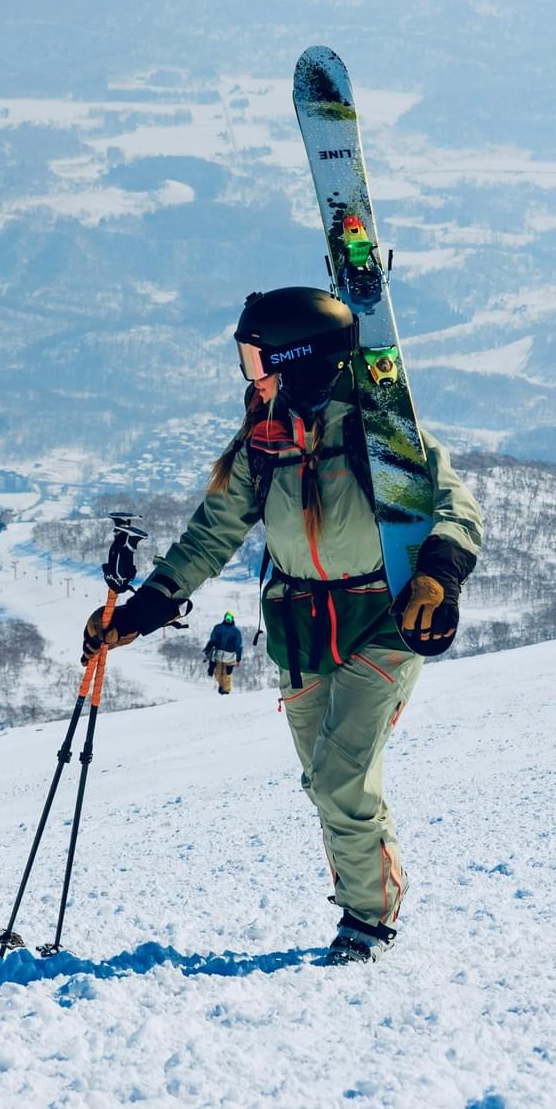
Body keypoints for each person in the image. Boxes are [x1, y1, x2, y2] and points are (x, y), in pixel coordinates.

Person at [83, 286, 482, 964]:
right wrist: (145, 610)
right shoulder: (265, 443)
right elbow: (213, 534)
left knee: (339, 779)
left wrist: (438, 573)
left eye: (257, 356)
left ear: (296, 357)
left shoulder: (376, 426)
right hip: (301, 628)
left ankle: (368, 919)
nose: (251, 371)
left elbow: (454, 502)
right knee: (322, 780)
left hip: (381, 618)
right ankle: (365, 896)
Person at [204, 611, 244, 694]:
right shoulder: (218, 628)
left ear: (232, 619)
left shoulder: (236, 631)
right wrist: (208, 649)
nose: (228, 620)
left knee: (227, 674)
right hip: (218, 654)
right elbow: (212, 640)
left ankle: (226, 691)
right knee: (218, 673)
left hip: (230, 656)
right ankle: (221, 686)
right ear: (224, 618)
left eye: (230, 618)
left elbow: (239, 645)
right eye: (227, 618)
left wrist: (238, 658)